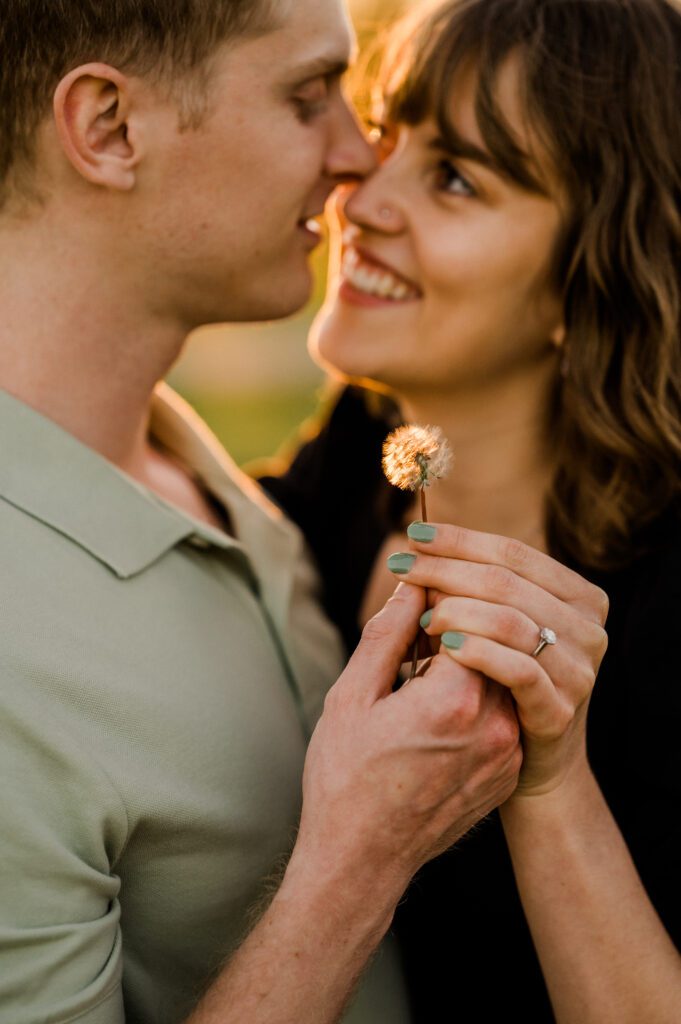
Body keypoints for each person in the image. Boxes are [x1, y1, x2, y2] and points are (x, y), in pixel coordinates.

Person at [0, 1, 525, 1022]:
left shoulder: (240, 496)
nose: (357, 155)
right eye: (305, 96)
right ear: (110, 127)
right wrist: (360, 857)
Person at [261, 0, 681, 1020]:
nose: (364, 199)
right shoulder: (348, 461)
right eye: (391, 134)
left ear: (588, 283)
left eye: (455, 176)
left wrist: (548, 780)